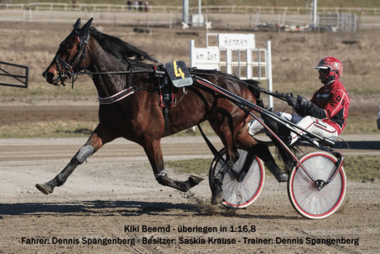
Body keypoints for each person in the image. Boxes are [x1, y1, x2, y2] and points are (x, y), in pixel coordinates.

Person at [248, 56, 350, 182]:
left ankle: (288, 140)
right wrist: (296, 105)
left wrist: (307, 105)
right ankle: (248, 129)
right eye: (320, 71)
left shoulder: (339, 91)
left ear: (334, 72)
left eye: (324, 71)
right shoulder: (320, 91)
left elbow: (324, 114)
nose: (321, 74)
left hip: (331, 128)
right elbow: (305, 112)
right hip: (314, 123)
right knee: (279, 115)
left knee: (309, 120)